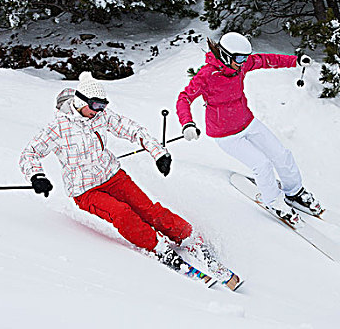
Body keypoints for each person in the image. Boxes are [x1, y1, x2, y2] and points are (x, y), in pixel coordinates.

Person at [19, 71, 241, 290]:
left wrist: (158, 153)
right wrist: (37, 176)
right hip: (85, 190)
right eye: (96, 106)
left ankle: (188, 238)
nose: (100, 111)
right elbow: (29, 154)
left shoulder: (100, 116)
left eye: (103, 106)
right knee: (122, 214)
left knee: (149, 210)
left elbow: (132, 129)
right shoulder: (57, 128)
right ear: (81, 102)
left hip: (113, 176)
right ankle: (157, 246)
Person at [176, 32, 324, 225]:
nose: (243, 62)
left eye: (245, 58)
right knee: (262, 165)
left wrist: (295, 61)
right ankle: (273, 201)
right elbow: (184, 98)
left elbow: (266, 60)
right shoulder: (207, 75)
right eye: (239, 58)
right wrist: (187, 123)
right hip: (226, 134)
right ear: (226, 55)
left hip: (247, 122)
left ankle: (294, 192)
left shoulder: (239, 66)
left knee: (281, 154)